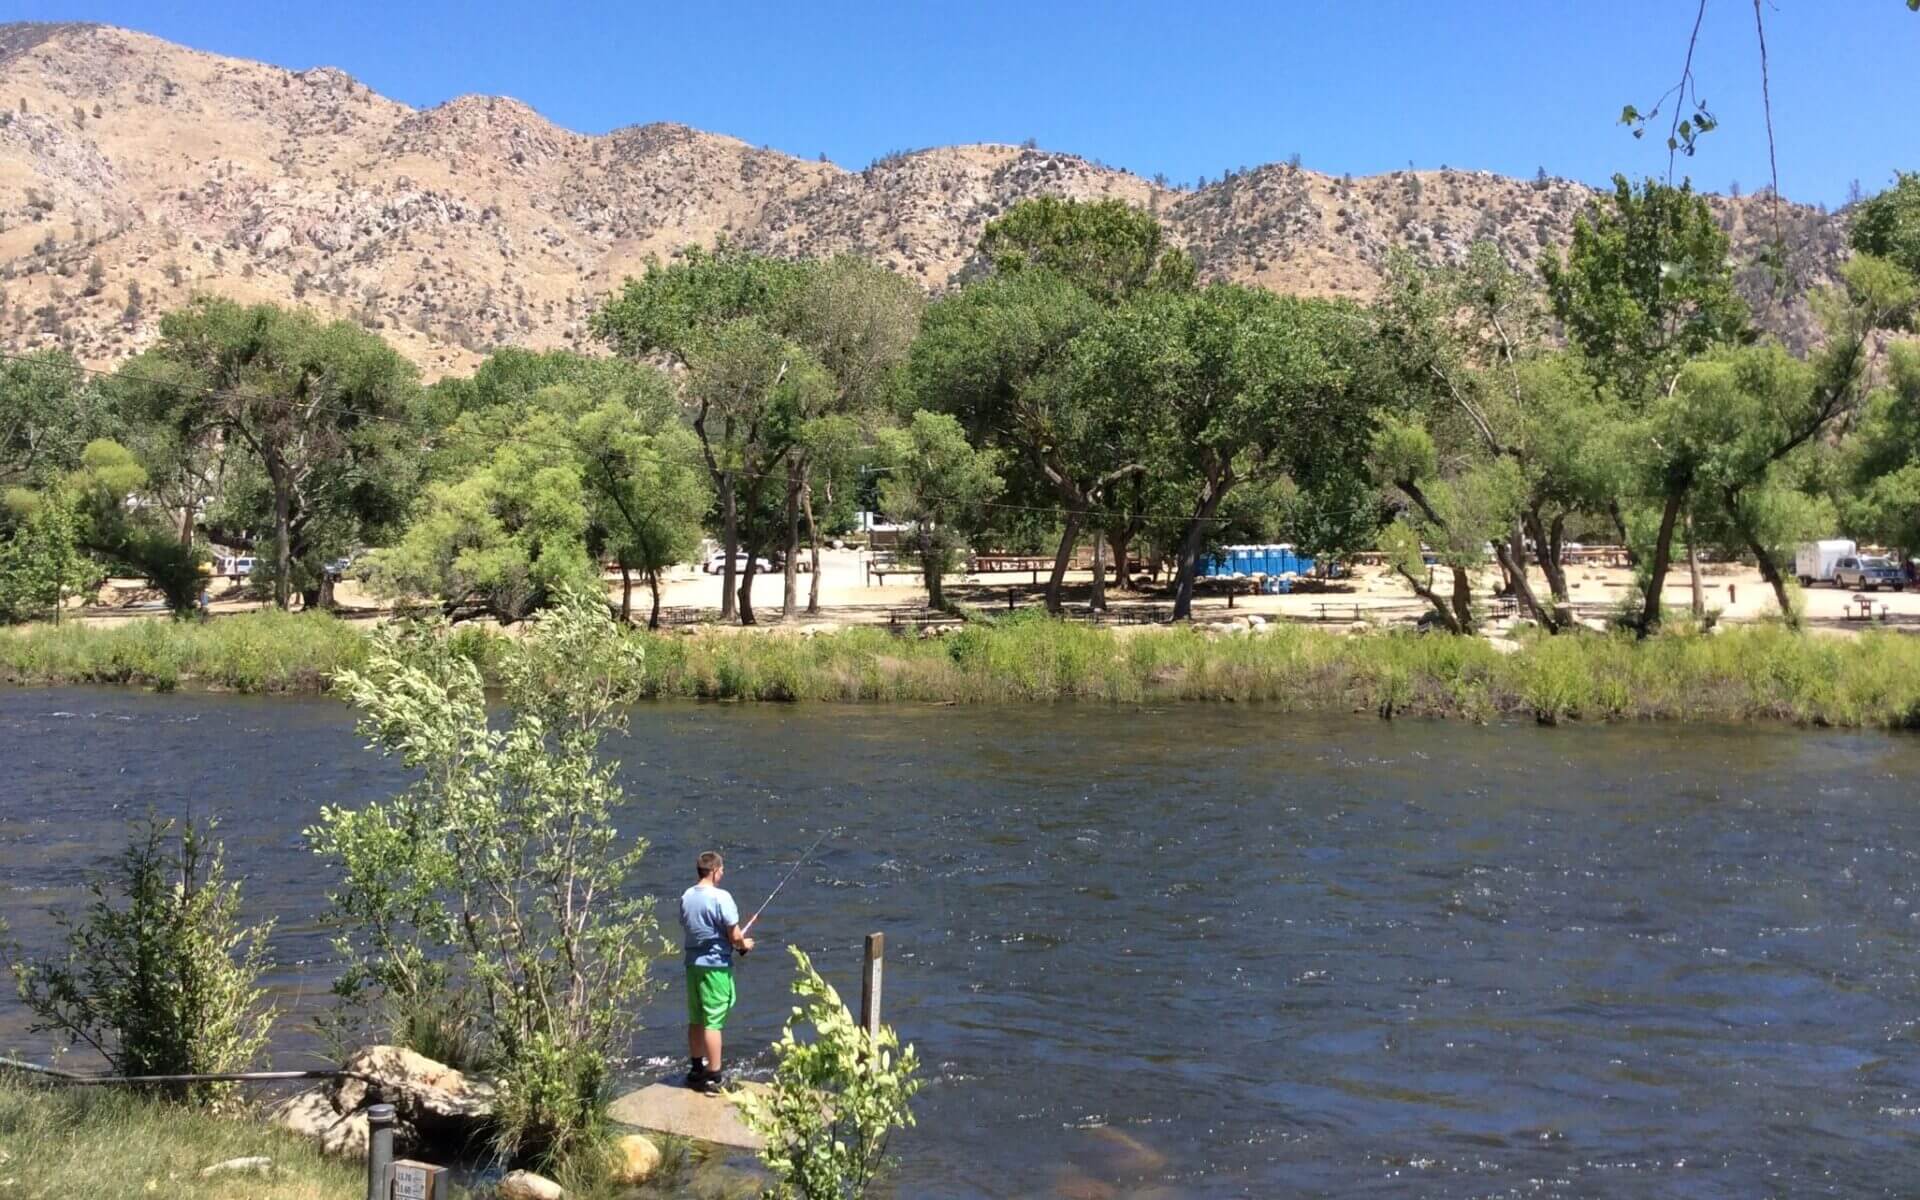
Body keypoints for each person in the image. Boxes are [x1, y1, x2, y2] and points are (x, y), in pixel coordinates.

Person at [680, 850, 753, 1094]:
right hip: (715, 966)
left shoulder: (687, 896)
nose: (722, 874)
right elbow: (735, 936)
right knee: (713, 1020)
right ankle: (715, 1076)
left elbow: (691, 926)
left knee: (696, 1017)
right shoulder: (721, 897)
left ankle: (696, 1068)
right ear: (713, 871)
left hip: (692, 966)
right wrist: (745, 944)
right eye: (721, 870)